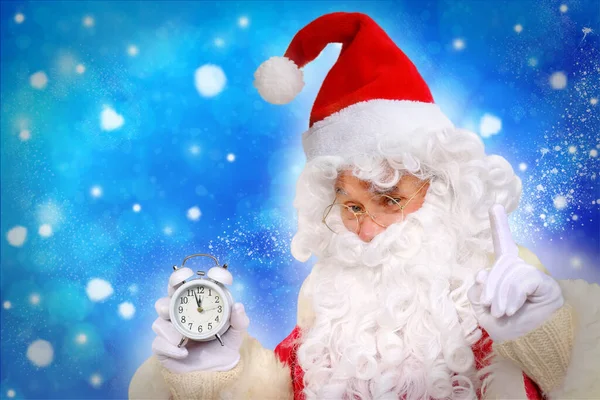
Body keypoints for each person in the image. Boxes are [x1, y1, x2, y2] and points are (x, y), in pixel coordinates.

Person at [129, 12, 600, 400]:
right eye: (351, 207)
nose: (368, 232)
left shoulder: (522, 304)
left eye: (390, 200)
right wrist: (218, 380)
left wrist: (551, 347)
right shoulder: (328, 308)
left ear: (445, 189)